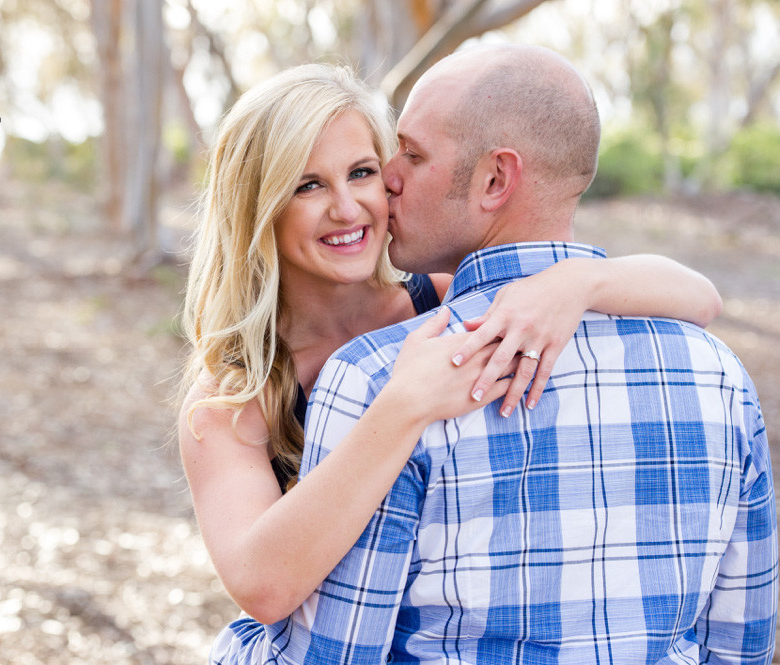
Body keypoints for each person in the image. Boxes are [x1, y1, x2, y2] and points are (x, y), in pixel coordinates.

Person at [208, 46, 776, 664]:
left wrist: (578, 284)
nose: (362, 199)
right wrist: (399, 406)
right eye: (307, 184)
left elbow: (701, 294)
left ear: (496, 179)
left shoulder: (439, 318)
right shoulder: (238, 394)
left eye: (372, 168)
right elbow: (263, 586)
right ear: (258, 205)